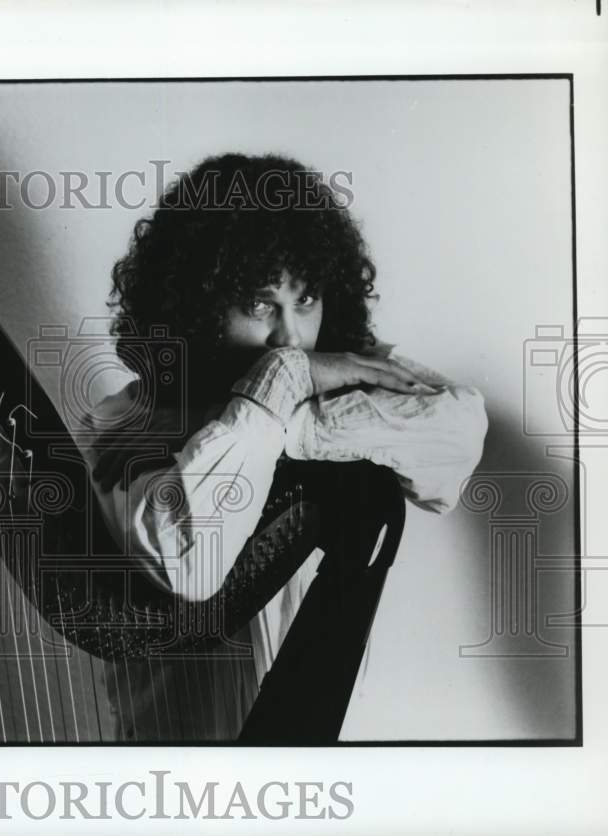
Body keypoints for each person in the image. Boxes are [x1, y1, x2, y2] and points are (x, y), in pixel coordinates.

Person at [76, 152, 488, 742]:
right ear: (194, 305)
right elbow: (190, 563)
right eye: (260, 305)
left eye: (308, 300)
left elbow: (457, 429)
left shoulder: (319, 379)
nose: (291, 338)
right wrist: (279, 391)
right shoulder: (120, 428)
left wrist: (280, 407)